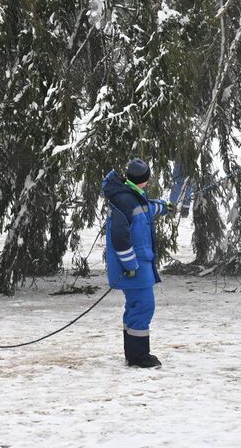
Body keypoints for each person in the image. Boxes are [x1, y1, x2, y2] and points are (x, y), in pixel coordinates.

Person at [102, 158, 168, 369]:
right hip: (135, 267)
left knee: (135, 307)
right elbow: (120, 239)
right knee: (143, 307)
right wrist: (130, 265)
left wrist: (165, 207)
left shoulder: (131, 195)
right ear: (144, 179)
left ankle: (134, 354)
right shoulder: (126, 201)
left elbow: (146, 209)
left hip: (140, 265)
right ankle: (139, 357)